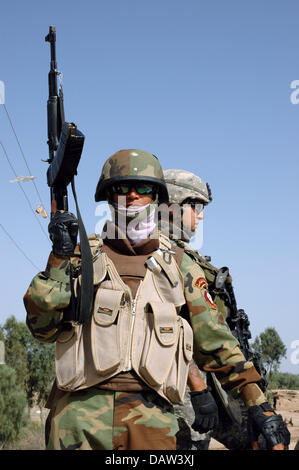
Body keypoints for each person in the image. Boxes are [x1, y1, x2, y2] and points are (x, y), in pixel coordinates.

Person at [24, 150, 289, 451]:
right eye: (123, 188)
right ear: (108, 196)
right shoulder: (78, 257)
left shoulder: (179, 264)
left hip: (153, 422)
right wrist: (59, 257)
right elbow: (41, 329)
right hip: (78, 421)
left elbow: (216, 344)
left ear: (157, 197)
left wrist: (260, 406)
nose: (133, 196)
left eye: (144, 188)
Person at [162, 168, 290, 450]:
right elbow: (210, 335)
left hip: (207, 385)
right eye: (195, 207)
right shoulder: (170, 257)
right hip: (182, 391)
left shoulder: (179, 255)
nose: (201, 216)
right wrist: (255, 400)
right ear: (172, 207)